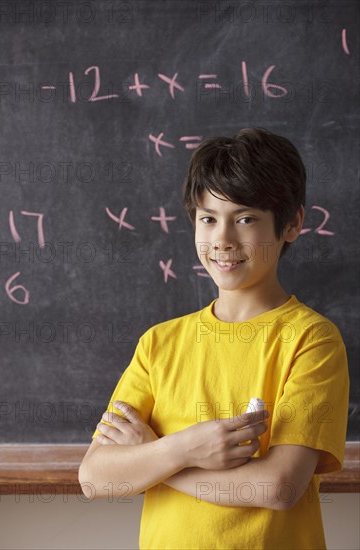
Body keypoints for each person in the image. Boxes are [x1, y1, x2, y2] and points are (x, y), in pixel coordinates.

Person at [78, 128, 349, 550]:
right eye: (208, 219)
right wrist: (185, 448)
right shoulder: (159, 344)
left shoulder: (310, 339)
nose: (222, 240)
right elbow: (96, 478)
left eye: (244, 219)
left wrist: (162, 458)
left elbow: (277, 487)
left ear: (292, 224)